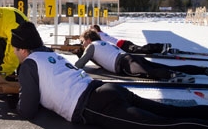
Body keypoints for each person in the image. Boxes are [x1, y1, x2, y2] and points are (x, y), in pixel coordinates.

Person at [11, 21, 208, 129]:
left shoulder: (29, 65)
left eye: (14, 49)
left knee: (159, 126)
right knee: (168, 111)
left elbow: (27, 109)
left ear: (23, 50)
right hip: (105, 89)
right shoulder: (49, 55)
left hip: (92, 104)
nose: (13, 52)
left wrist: (12, 101)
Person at [75, 29, 208, 82]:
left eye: (82, 42)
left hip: (124, 64)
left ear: (88, 40)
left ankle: (172, 76)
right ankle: (202, 70)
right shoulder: (103, 43)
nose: (83, 44)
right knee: (159, 66)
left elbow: (79, 65)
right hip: (130, 57)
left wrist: (78, 53)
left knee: (150, 72)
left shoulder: (91, 46)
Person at [91, 24, 170, 54]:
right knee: (141, 49)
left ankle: (160, 47)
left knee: (141, 49)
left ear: (96, 29)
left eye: (92, 29)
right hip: (123, 43)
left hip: (122, 45)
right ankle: (159, 48)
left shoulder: (98, 35)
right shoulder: (101, 33)